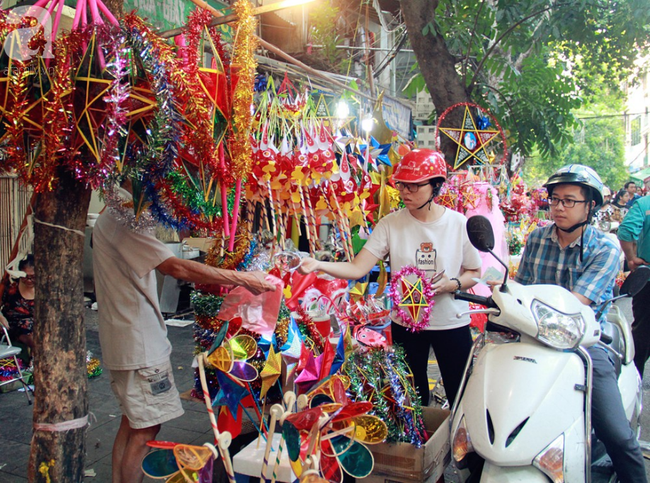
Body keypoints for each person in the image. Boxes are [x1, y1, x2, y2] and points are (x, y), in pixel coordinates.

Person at [92, 181, 276, 483]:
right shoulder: (124, 217)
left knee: (134, 423)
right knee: (145, 430)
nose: (168, 193)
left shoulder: (117, 211)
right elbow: (175, 267)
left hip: (126, 337)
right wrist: (243, 277)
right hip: (138, 343)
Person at [298, 149, 481, 407]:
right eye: (402, 185)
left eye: (414, 186)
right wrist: (319, 264)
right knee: (411, 400)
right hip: (406, 324)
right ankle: (421, 448)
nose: (405, 192)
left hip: (451, 322)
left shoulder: (458, 223)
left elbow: (474, 272)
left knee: (461, 394)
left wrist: (453, 284)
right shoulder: (390, 224)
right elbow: (357, 268)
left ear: (436, 186)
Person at [514, 164, 646, 483]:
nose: (559, 207)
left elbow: (576, 302)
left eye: (569, 200)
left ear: (590, 206)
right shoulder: (536, 239)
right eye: (555, 199)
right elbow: (521, 288)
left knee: (617, 434)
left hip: (585, 345)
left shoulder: (605, 248)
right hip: (533, 339)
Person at [617, 193, 650, 378]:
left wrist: (631, 258)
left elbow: (626, 231)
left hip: (647, 278)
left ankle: (634, 380)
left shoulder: (645, 203)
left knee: (643, 334)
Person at [0, 254, 35, 361]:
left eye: (33, 277)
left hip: (34, 325)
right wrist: (1, 318)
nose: (28, 280)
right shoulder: (10, 287)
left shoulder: (45, 289)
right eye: (25, 276)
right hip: (11, 325)